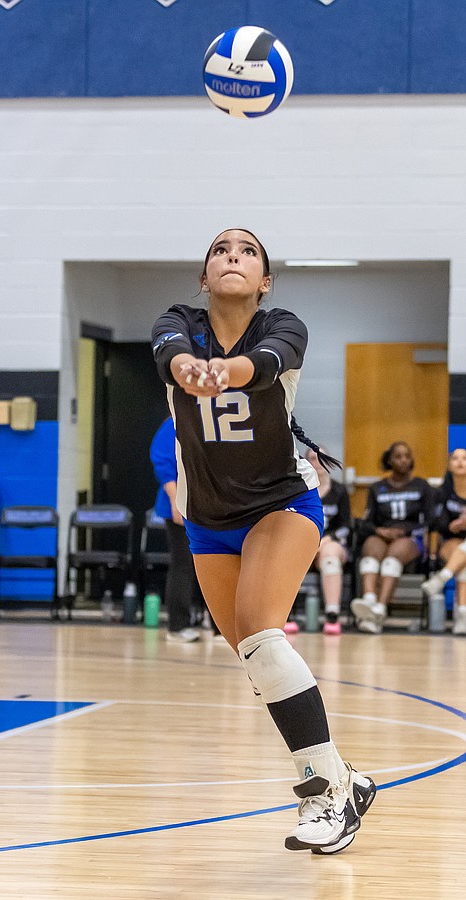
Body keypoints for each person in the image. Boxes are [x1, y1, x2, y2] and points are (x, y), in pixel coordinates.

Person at [151, 228, 376, 855]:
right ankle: (344, 778)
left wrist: (225, 372)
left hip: (281, 502)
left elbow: (268, 364)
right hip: (208, 517)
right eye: (221, 250)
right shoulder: (177, 323)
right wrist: (190, 369)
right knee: (257, 657)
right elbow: (171, 357)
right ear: (204, 276)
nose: (233, 256)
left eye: (248, 251)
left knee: (258, 630)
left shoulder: (283, 326)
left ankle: (324, 795)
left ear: (265, 280)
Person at [350, 441, 434, 634]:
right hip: (383, 534)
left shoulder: (421, 486)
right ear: (389, 460)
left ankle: (380, 609)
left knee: (391, 560)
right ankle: (369, 602)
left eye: (407, 456)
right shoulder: (377, 488)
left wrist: (404, 531)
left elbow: (430, 520)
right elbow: (367, 521)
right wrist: (380, 531)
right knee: (370, 551)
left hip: (410, 537)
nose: (403, 460)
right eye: (398, 456)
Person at [150, 415, 203, 642]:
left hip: (208, 506)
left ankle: (218, 626)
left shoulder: (213, 420)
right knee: (183, 563)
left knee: (214, 562)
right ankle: (178, 626)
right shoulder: (174, 422)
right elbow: (163, 462)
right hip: (180, 505)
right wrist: (175, 500)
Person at [304, 448, 352, 636]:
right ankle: (285, 616)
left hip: (332, 541)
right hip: (305, 542)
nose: (317, 462)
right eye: (312, 458)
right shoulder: (300, 490)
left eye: (321, 458)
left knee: (329, 554)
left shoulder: (339, 491)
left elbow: (346, 526)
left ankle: (332, 614)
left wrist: (326, 539)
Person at [421, 447, 466, 635]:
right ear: (449, 465)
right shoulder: (440, 493)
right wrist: (453, 525)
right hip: (450, 542)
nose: (460, 462)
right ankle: (462, 616)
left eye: (464, 458)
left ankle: (441, 579)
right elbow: (434, 524)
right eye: (455, 458)